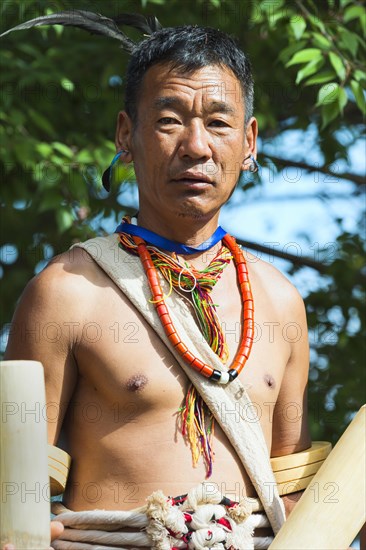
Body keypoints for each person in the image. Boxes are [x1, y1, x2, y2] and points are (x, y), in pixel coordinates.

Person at [5, 25, 312, 549]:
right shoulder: (66, 291)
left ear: (249, 142)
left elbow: (292, 488)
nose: (196, 146)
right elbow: (16, 485)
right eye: (169, 121)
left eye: (219, 123)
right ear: (126, 134)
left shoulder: (280, 300)